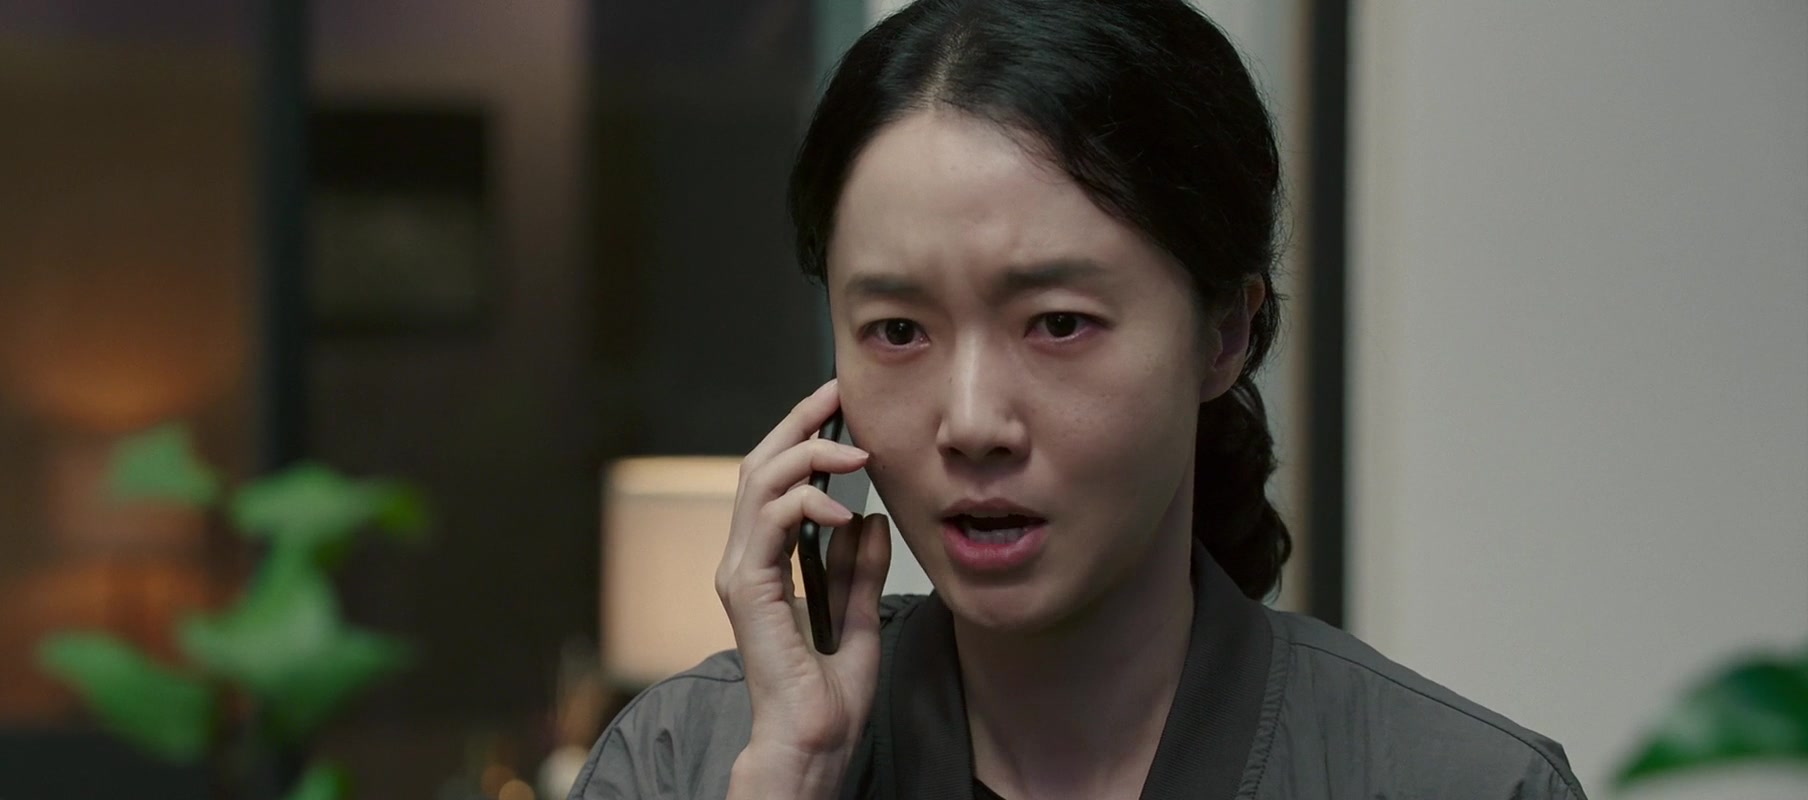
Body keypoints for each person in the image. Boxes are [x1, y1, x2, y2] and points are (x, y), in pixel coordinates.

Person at [572, 1, 1587, 797]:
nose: (973, 421)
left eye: (1057, 323)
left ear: (1223, 334)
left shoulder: (1456, 782)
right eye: (899, 330)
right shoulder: (688, 760)